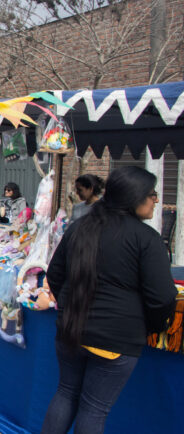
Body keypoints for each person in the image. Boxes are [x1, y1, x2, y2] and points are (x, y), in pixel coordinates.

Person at [42, 166, 177, 434]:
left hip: (71, 330)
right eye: (152, 194)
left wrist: (69, 308)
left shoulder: (80, 227)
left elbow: (55, 276)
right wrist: (148, 326)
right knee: (93, 408)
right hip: (116, 339)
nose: (156, 200)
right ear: (134, 197)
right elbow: (162, 297)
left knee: (66, 393)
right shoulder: (146, 238)